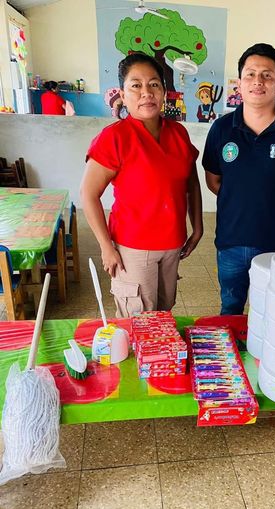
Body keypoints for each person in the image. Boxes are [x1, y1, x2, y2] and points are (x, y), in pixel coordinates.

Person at [202, 43, 275, 315]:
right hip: (230, 242)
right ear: (239, 83)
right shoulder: (222, 128)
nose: (258, 81)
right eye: (250, 74)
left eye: (267, 75)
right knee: (230, 308)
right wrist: (243, 201)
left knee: (271, 312)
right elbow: (214, 181)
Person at [80, 52, 203, 317]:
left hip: (172, 243)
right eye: (136, 85)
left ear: (164, 92)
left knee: (163, 311)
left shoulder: (178, 133)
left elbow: (191, 183)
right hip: (133, 247)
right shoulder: (114, 137)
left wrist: (198, 227)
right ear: (122, 95)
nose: (146, 92)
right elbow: (88, 195)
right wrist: (106, 247)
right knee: (137, 318)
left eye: (154, 84)